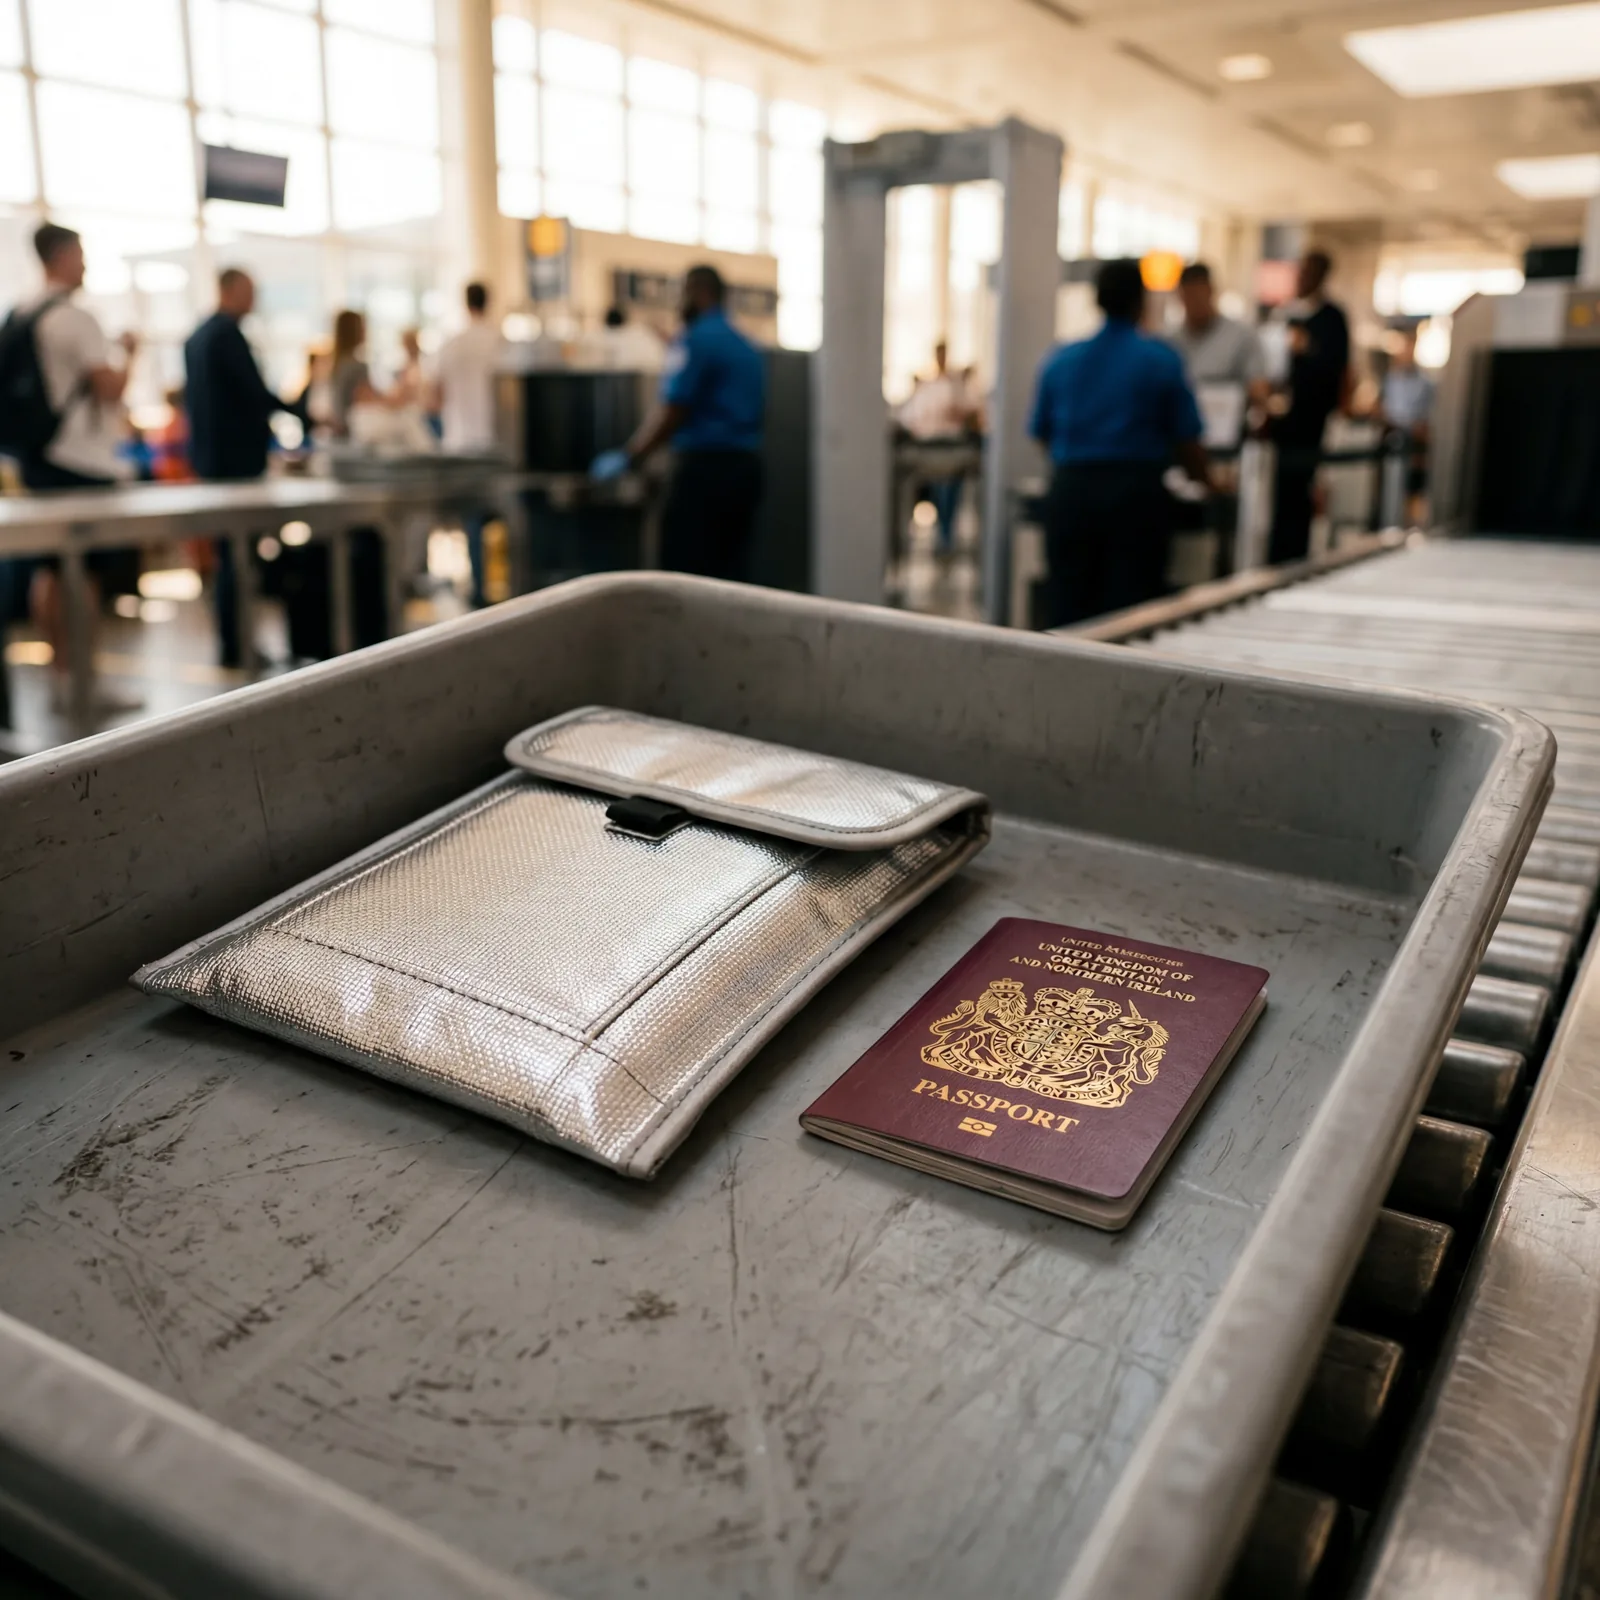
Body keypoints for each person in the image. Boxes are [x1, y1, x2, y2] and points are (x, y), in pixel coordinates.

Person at [1028, 257, 1212, 628]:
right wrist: (1206, 483)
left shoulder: (1061, 360)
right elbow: (1187, 439)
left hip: (1070, 496)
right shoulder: (1160, 360)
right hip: (1135, 501)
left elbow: (1041, 434)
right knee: (1131, 618)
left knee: (1068, 613)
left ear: (1097, 300)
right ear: (1140, 302)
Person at [2, 222, 139, 707]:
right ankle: (86, 680)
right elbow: (110, 389)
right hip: (80, 460)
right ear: (60, 255)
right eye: (80, 253)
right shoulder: (76, 319)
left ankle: (61, 675)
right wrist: (130, 354)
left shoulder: (22, 312)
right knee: (85, 573)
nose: (85, 264)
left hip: (38, 457)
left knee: (51, 570)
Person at [610, 264, 765, 581]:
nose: (680, 302)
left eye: (684, 293)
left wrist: (632, 455)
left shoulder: (695, 340)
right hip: (745, 471)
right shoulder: (746, 346)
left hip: (703, 474)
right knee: (730, 571)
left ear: (699, 292)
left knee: (684, 576)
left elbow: (674, 410)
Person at [184, 267, 305, 666]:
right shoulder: (226, 337)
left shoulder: (197, 338)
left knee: (228, 554)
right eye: (249, 292)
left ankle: (233, 642)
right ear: (230, 290)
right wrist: (300, 412)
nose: (254, 301)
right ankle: (237, 644)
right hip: (235, 464)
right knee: (239, 556)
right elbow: (253, 394)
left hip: (210, 461)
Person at [1268, 249, 1350, 565]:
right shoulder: (1287, 314)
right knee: (1280, 490)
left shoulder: (1331, 318)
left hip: (1311, 419)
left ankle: (1295, 553)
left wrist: (1308, 349)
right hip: (1282, 421)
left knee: (1301, 489)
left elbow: (1336, 368)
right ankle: (1277, 552)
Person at [431, 282, 506, 605]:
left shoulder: (451, 345)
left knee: (472, 520)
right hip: (495, 443)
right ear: (489, 301)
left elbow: (433, 398)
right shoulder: (499, 343)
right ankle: (509, 587)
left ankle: (479, 588)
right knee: (505, 517)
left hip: (460, 444)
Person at [897, 339, 979, 555]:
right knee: (939, 490)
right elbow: (912, 419)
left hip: (953, 452)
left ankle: (946, 535)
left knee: (950, 491)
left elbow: (969, 414)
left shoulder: (955, 385)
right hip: (931, 452)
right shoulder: (928, 386)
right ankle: (943, 535)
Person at [1379, 324, 1434, 523]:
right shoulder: (1390, 379)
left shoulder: (1425, 382)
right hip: (1394, 439)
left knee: (1412, 490)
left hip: (1414, 441)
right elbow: (1386, 409)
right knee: (1390, 491)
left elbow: (1427, 416)